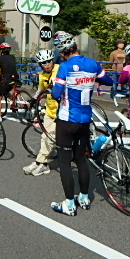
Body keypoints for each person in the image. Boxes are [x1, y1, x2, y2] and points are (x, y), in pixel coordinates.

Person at [50, 32, 113, 216]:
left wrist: (54, 87)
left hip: (67, 120)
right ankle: (84, 198)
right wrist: (92, 80)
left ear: (63, 52)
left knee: (64, 162)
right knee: (81, 159)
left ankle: (69, 204)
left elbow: (56, 94)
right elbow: (108, 80)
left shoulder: (65, 66)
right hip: (85, 119)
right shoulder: (93, 64)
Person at [23, 49, 59, 177]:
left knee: (48, 137)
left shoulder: (60, 70)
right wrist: (34, 99)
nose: (47, 64)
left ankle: (40, 162)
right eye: (43, 62)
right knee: (45, 137)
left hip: (61, 111)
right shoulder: (42, 75)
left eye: (49, 61)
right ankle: (42, 164)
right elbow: (40, 89)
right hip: (50, 110)